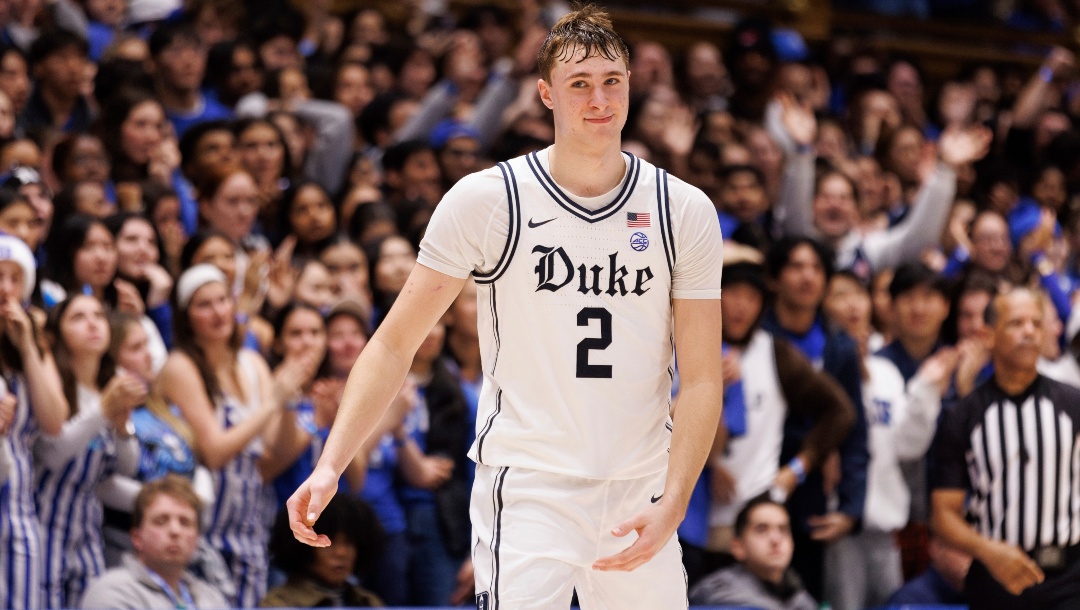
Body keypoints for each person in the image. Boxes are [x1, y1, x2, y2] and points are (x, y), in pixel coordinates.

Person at [288, 6, 725, 609]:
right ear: (546, 93)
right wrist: (330, 463)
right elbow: (393, 342)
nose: (599, 99)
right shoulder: (488, 200)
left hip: (641, 486)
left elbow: (701, 378)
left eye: (612, 81)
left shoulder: (686, 210)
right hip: (531, 487)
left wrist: (675, 497)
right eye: (579, 84)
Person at [931, 287, 1080, 609]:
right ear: (989, 336)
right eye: (1016, 323)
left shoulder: (1073, 404)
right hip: (995, 579)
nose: (1029, 331)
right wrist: (988, 551)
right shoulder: (964, 415)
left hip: (1070, 578)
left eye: (1036, 324)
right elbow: (943, 513)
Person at [0, 234, 68, 610]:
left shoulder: (29, 344)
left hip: (21, 510)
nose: (6, 289)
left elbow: (54, 421)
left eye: (15, 278)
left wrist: (28, 346)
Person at [79, 475, 230, 610]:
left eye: (185, 523)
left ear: (196, 539)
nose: (175, 531)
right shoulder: (112, 592)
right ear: (137, 537)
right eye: (161, 521)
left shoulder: (212, 598)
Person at [688, 496, 817, 610]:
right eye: (761, 529)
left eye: (782, 529)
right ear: (738, 546)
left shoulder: (799, 596)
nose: (776, 539)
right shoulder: (716, 590)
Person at [263, 495, 384, 607]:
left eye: (349, 542)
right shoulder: (278, 604)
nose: (341, 552)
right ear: (302, 545)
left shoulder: (370, 603)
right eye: (327, 542)